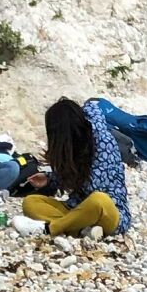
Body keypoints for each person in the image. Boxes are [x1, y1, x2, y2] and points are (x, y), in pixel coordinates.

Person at [21, 95, 131, 236]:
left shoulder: (103, 142)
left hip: (108, 212)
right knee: (31, 202)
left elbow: (94, 187)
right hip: (76, 208)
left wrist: (62, 176)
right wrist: (50, 179)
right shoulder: (75, 144)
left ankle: (49, 229)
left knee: (98, 200)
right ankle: (78, 228)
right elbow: (73, 174)